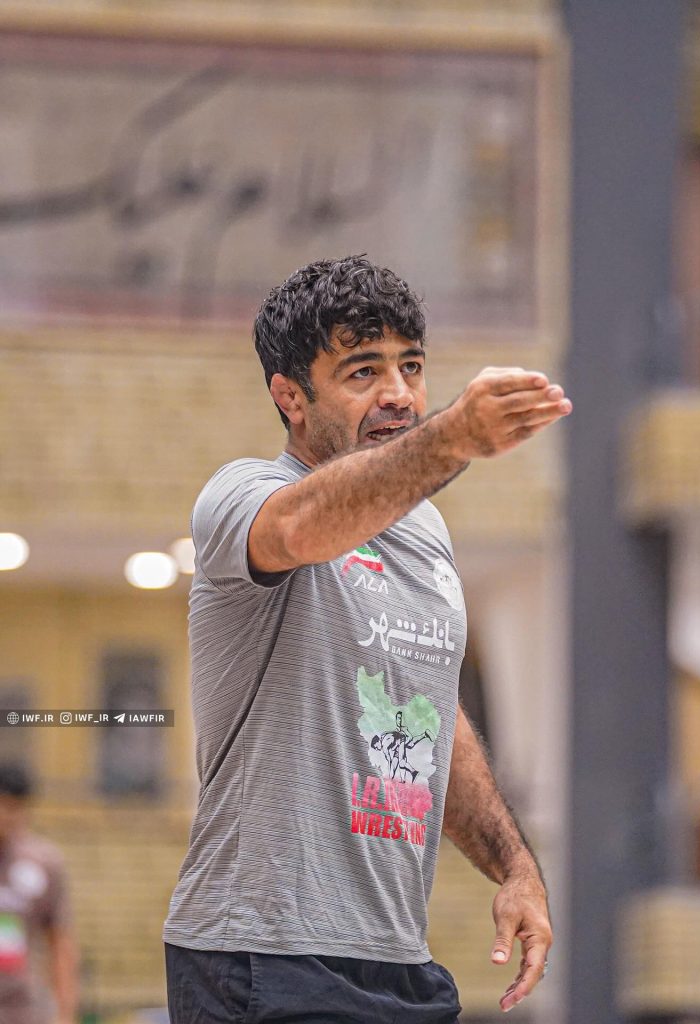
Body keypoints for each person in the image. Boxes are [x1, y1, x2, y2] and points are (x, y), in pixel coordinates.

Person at [164, 255, 570, 1023]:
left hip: (396, 955)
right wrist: (454, 436)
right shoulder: (243, 494)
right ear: (290, 396)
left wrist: (516, 866)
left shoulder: (425, 532)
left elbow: (432, 714)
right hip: (261, 953)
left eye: (410, 367)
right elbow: (302, 528)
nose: (399, 394)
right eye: (362, 372)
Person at [0, 762, 78, 1024]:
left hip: (23, 1008)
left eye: (15, 807)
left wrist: (65, 1013)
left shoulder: (42, 863)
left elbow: (60, 941)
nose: (7, 816)